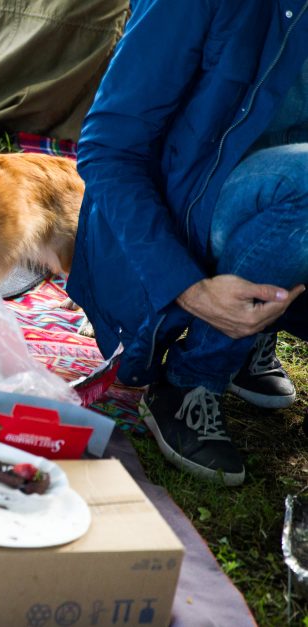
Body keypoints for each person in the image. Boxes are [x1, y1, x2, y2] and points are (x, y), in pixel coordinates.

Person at [68, 0, 308, 486]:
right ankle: (192, 380)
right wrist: (189, 289)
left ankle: (257, 329)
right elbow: (107, 149)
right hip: (188, 207)